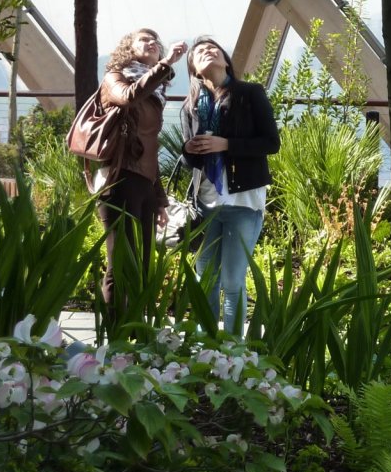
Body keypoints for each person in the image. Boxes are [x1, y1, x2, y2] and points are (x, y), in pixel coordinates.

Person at [179, 36, 279, 335]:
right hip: (205, 202)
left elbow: (271, 143)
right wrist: (190, 150)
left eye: (213, 49)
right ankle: (206, 346)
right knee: (205, 278)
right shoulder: (191, 105)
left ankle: (233, 353)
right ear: (195, 69)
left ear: (225, 61)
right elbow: (187, 160)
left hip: (242, 202)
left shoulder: (250, 93)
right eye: (199, 52)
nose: (208, 51)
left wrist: (227, 144)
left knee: (233, 282)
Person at [97, 28, 187, 329]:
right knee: (121, 262)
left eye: (155, 42)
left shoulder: (156, 93)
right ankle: (114, 335)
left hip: (144, 182)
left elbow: (149, 147)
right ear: (129, 48)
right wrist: (166, 65)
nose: (151, 43)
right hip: (119, 178)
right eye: (143, 40)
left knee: (142, 264)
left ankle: (135, 332)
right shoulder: (116, 78)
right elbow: (127, 97)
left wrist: (160, 199)